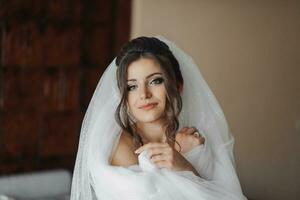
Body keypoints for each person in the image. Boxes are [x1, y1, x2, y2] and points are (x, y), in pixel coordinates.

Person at [70, 36, 247, 200]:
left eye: (155, 81)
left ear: (178, 86)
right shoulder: (119, 146)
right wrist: (184, 166)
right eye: (132, 87)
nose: (144, 95)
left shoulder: (193, 139)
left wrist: (185, 164)